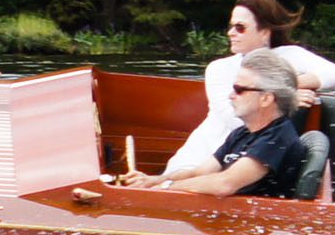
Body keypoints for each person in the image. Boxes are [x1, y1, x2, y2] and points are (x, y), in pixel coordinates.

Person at [162, 0, 335, 176]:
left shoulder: (289, 55)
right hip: (201, 159)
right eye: (231, 26)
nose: (231, 33)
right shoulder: (218, 69)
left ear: (264, 32)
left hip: (249, 163)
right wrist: (286, 95)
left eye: (240, 27)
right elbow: (234, 119)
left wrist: (285, 89)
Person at [116, 52, 306, 195]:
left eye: (239, 90)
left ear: (266, 99)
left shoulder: (278, 137)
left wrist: (166, 187)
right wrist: (155, 180)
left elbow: (225, 184)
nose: (230, 95)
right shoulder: (242, 133)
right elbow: (200, 173)